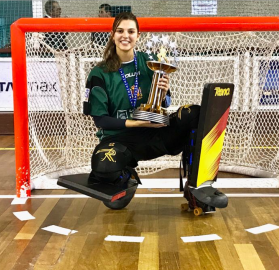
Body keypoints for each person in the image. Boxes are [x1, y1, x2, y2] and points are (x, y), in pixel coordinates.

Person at [85, 12, 225, 210]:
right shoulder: (99, 73)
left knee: (196, 114)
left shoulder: (150, 61)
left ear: (138, 36)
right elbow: (101, 120)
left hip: (154, 133)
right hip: (120, 140)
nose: (125, 36)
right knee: (104, 167)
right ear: (112, 34)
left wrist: (164, 91)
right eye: (120, 31)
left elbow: (165, 103)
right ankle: (127, 175)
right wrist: (138, 123)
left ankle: (198, 186)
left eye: (131, 31)